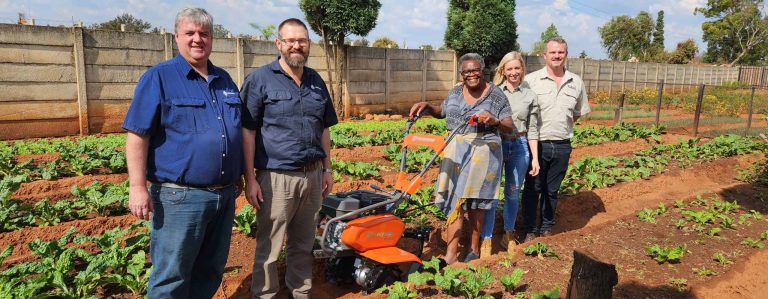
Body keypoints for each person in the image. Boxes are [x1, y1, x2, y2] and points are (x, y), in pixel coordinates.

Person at [123, 7, 243, 298]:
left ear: (212, 39)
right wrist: (137, 187)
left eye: (204, 33)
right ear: (177, 36)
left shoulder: (225, 79)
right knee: (171, 275)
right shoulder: (159, 78)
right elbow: (137, 135)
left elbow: (235, 130)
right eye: (190, 33)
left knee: (210, 270)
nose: (197, 39)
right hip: (180, 197)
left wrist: (238, 175)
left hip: (224, 195)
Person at [241, 18, 337, 299]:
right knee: (269, 248)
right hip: (276, 178)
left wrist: (327, 169)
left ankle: (300, 293)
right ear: (279, 44)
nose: (297, 46)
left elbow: (324, 129)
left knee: (303, 244)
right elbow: (247, 132)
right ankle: (266, 295)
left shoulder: (316, 81)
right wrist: (250, 179)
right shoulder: (259, 79)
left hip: (313, 175)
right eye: (291, 40)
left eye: (302, 41)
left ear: (308, 45)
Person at [410, 53, 513, 265]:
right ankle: (451, 253)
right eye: (466, 72)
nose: (471, 75)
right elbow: (443, 111)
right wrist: (428, 107)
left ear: (483, 71)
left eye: (475, 70)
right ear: (461, 74)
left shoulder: (496, 95)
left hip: (484, 152)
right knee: (453, 199)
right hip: (456, 150)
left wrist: (494, 121)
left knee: (476, 203)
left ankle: (473, 249)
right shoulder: (456, 91)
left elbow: (510, 126)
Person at [521, 37, 591, 242]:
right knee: (533, 189)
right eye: (552, 52)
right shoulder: (531, 81)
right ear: (545, 55)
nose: (557, 56)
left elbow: (577, 112)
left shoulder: (576, 82)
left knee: (552, 190)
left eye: (560, 52)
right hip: (537, 144)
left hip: (562, 144)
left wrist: (563, 126)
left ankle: (546, 227)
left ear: (566, 55)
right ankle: (530, 229)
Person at [480, 51, 540, 256]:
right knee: (492, 193)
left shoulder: (530, 95)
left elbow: (533, 129)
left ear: (522, 69)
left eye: (517, 68)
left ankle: (508, 233)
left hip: (520, 145)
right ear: (503, 71)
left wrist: (535, 158)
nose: (513, 72)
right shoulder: (494, 92)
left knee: (513, 193)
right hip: (497, 145)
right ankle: (486, 238)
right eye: (509, 68)